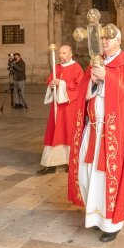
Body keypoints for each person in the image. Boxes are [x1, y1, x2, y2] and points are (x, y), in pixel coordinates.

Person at [68, 25, 124, 242]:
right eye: (102, 39)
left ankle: (112, 224)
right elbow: (82, 95)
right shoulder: (95, 63)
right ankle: (96, 217)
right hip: (92, 129)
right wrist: (92, 82)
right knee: (86, 174)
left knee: (105, 178)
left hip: (113, 133)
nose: (104, 43)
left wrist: (108, 78)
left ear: (119, 40)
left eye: (109, 39)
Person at [38, 45, 84, 174]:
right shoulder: (57, 67)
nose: (61, 56)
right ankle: (51, 164)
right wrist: (52, 84)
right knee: (53, 132)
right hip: (57, 106)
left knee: (68, 132)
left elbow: (79, 87)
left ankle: (71, 162)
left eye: (64, 53)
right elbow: (50, 80)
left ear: (70, 54)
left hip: (69, 107)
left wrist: (62, 84)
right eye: (59, 53)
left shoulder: (76, 68)